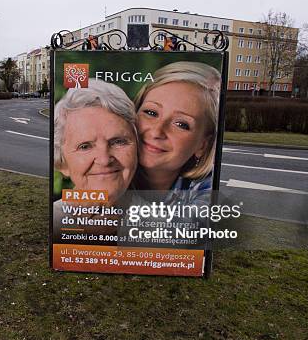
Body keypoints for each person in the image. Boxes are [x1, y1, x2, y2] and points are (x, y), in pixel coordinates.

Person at [53, 79, 138, 240]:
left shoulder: (166, 223)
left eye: (118, 141)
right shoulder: (55, 223)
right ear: (62, 162)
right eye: (85, 146)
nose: (105, 159)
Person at [133, 61, 221, 206]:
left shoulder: (206, 188)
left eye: (181, 124)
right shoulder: (100, 167)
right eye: (151, 112)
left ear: (203, 145)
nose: (157, 131)